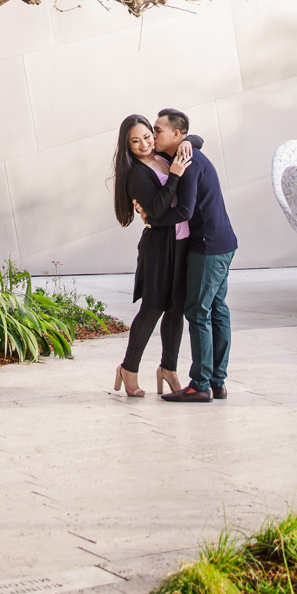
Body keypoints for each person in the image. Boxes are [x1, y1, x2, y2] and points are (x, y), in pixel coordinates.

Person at [152, 108, 236, 403]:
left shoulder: (185, 162)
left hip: (207, 245)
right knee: (217, 310)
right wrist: (192, 141)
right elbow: (195, 139)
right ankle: (217, 382)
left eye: (158, 130)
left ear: (177, 135)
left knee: (198, 312)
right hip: (224, 242)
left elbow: (184, 211)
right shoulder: (188, 153)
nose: (153, 134)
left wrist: (152, 219)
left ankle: (200, 385)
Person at [109, 114, 190, 398]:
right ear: (127, 145)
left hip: (181, 243)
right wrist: (176, 176)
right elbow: (156, 209)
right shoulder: (136, 174)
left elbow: (195, 139)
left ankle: (168, 369)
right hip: (158, 248)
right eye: (135, 141)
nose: (144, 144)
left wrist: (187, 143)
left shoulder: (166, 158)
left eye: (147, 136)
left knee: (177, 308)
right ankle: (128, 369)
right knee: (153, 308)